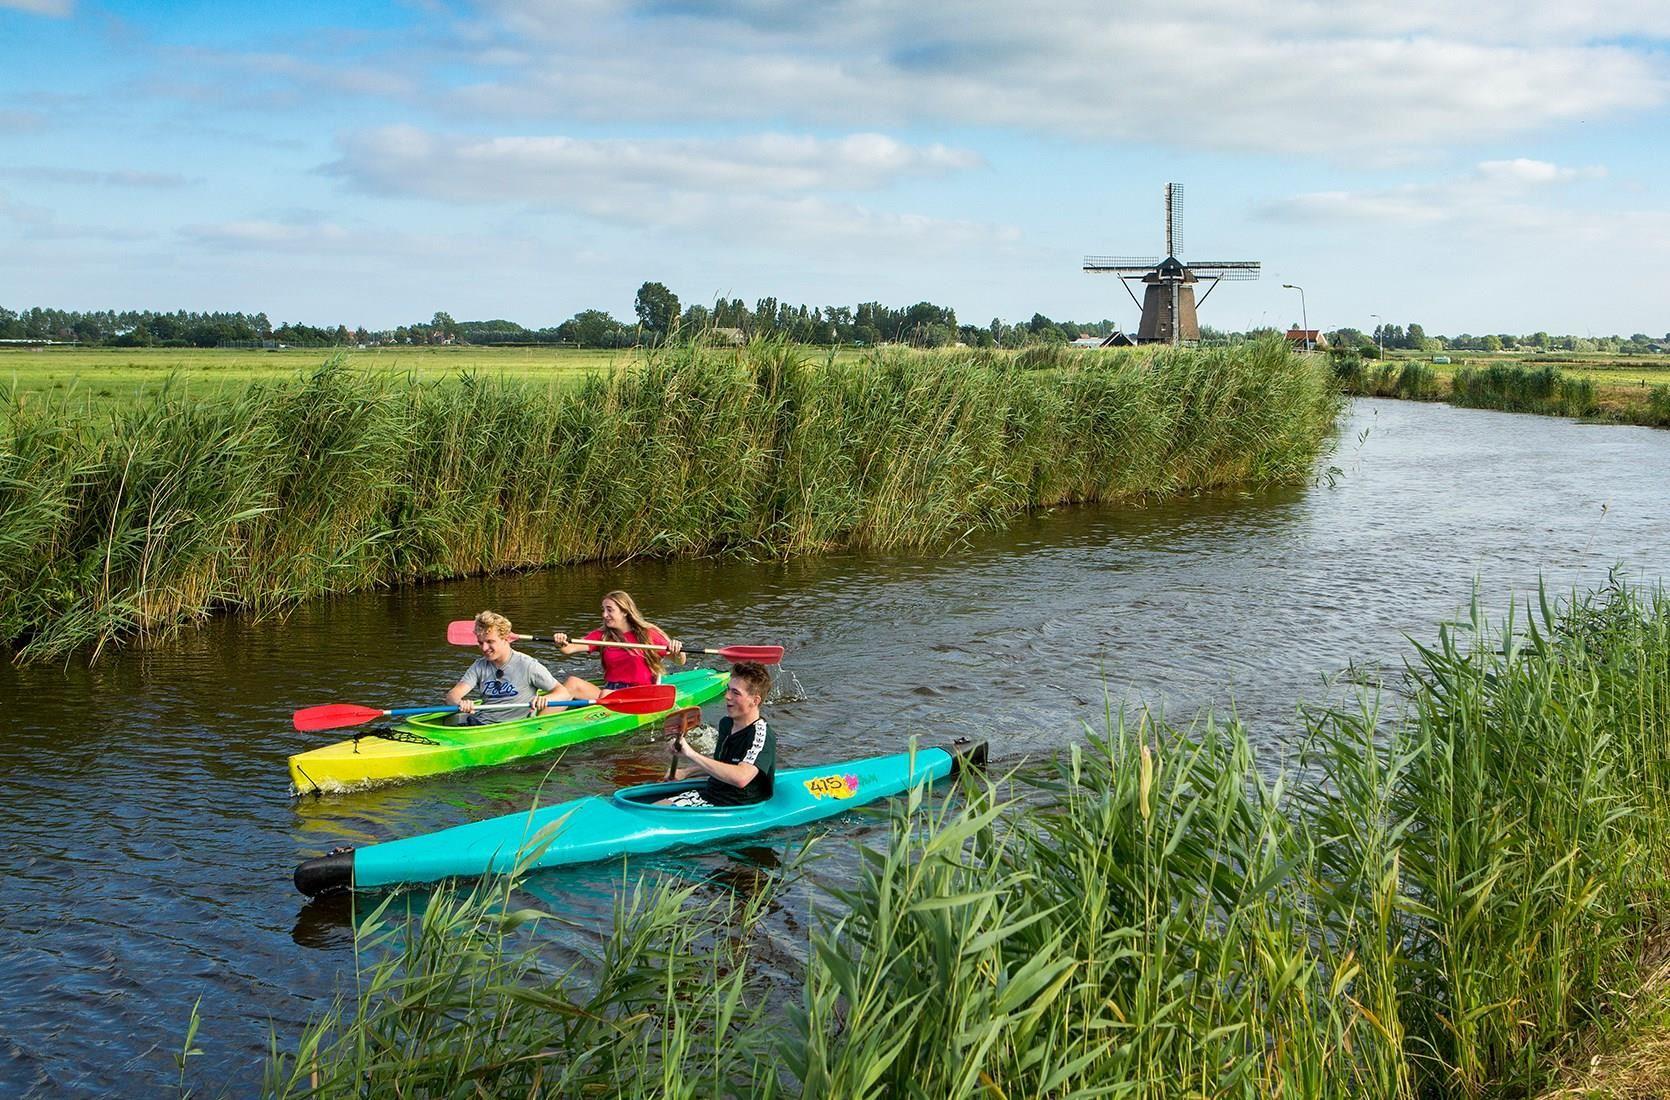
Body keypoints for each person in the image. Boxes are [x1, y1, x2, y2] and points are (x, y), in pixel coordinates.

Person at [662, 662, 775, 806]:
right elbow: (723, 765)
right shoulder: (726, 724)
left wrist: (691, 753)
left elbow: (741, 777)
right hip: (711, 794)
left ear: (755, 700)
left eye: (736, 692)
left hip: (736, 806)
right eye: (728, 690)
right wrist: (686, 772)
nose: (727, 696)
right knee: (653, 806)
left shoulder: (761, 736)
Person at [550, 590, 685, 700]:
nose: (604, 615)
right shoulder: (602, 636)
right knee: (572, 682)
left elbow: (680, 661)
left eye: (610, 610)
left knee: (606, 694)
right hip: (611, 690)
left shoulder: (649, 634)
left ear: (625, 612)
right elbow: (569, 648)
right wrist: (561, 642)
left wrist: (678, 651)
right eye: (603, 610)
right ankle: (536, 724)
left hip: (640, 694)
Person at [445, 610, 569, 724]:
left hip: (511, 728)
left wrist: (546, 698)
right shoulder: (479, 666)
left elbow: (564, 693)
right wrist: (461, 703)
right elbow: (452, 696)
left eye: (490, 642)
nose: (484, 648)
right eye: (480, 642)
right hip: (481, 723)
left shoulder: (528, 665)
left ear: (506, 639)